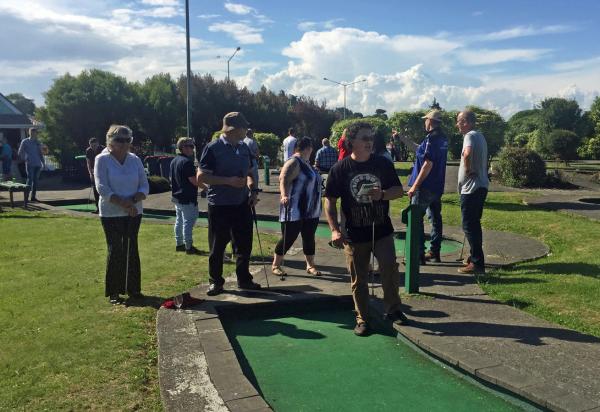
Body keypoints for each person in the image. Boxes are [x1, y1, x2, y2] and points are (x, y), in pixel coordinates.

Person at [324, 122, 408, 337]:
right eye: (364, 138)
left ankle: (393, 309)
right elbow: (330, 201)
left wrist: (382, 195)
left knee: (389, 268)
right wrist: (334, 229)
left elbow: (399, 190)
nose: (370, 142)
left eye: (371, 138)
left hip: (382, 230)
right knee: (359, 279)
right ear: (352, 142)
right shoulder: (340, 169)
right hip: (354, 234)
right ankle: (362, 318)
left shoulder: (382, 163)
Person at [198, 112, 261, 296]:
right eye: (244, 128)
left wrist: (253, 190)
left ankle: (244, 279)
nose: (246, 131)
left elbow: (250, 172)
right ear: (234, 129)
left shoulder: (244, 148)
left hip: (242, 203)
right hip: (220, 205)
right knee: (218, 246)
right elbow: (202, 177)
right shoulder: (213, 148)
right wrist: (229, 181)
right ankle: (216, 281)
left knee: (244, 244)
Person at [95, 125, 149, 305]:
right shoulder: (101, 159)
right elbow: (102, 188)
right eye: (119, 140)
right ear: (110, 140)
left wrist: (132, 202)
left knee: (132, 248)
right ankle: (114, 291)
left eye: (128, 140)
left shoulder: (135, 160)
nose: (124, 144)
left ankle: (134, 289)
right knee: (116, 249)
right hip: (111, 213)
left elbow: (144, 186)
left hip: (134, 211)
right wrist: (124, 204)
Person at [272, 137, 323, 277]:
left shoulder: (307, 163)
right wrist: (284, 195)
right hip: (295, 209)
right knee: (289, 237)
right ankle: (276, 265)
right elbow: (283, 178)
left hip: (310, 209)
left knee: (309, 236)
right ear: (308, 148)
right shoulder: (294, 161)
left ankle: (310, 265)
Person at [406, 110, 449, 264]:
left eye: (426, 120)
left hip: (425, 186)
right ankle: (434, 252)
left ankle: (418, 254)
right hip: (437, 186)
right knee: (436, 219)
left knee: (416, 219)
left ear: (430, 121)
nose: (424, 122)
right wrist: (403, 138)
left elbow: (427, 163)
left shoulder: (431, 139)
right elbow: (420, 151)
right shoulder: (442, 139)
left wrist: (414, 186)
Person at [456, 110, 489, 274]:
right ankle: (473, 257)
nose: (457, 125)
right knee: (474, 224)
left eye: (459, 121)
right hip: (481, 186)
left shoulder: (469, 136)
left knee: (469, 225)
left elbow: (467, 154)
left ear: (466, 122)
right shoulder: (480, 136)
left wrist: (468, 170)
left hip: (471, 188)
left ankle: (477, 263)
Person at [171, 137, 205, 255]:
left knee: (179, 221)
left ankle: (179, 243)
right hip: (187, 197)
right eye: (189, 146)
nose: (192, 148)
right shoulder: (187, 162)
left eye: (192, 146)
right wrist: (206, 187)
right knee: (188, 221)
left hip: (177, 197)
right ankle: (188, 246)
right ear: (182, 148)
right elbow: (194, 181)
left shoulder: (174, 160)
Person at [18, 128, 45, 202]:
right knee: (30, 180)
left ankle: (33, 197)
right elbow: (20, 152)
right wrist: (24, 159)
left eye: (35, 133)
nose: (34, 134)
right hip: (30, 164)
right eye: (32, 133)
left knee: (35, 181)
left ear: (36, 133)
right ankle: (26, 198)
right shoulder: (25, 141)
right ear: (29, 133)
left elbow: (40, 153)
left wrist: (43, 163)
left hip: (38, 164)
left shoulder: (38, 142)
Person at [85, 137, 105, 213]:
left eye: (94, 146)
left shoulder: (103, 149)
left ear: (98, 144)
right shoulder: (88, 150)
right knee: (95, 190)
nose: (93, 148)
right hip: (94, 172)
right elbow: (88, 163)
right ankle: (98, 208)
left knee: (103, 190)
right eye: (91, 146)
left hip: (103, 172)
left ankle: (104, 208)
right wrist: (90, 174)